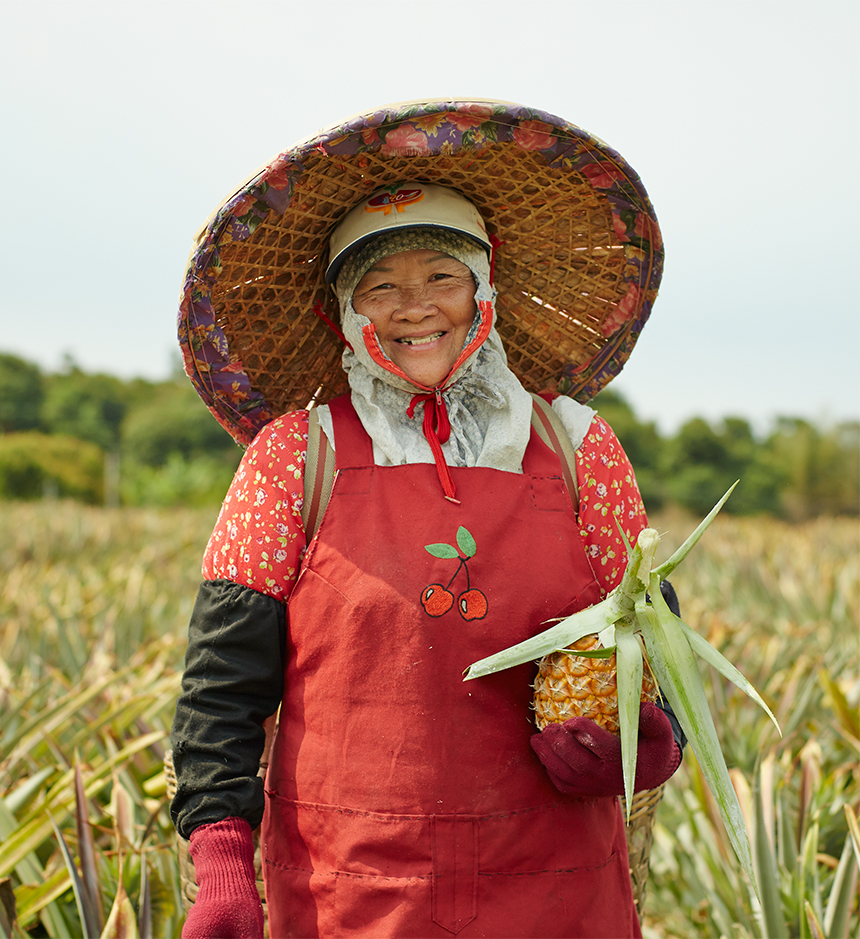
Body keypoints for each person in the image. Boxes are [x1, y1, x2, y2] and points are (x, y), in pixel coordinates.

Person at [170, 99, 685, 939]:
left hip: (555, 885)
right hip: (352, 889)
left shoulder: (579, 444)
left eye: (442, 277)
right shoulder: (294, 455)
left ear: (485, 289)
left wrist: (652, 742)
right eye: (379, 286)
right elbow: (223, 684)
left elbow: (659, 646)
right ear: (342, 311)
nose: (415, 307)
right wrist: (222, 856)